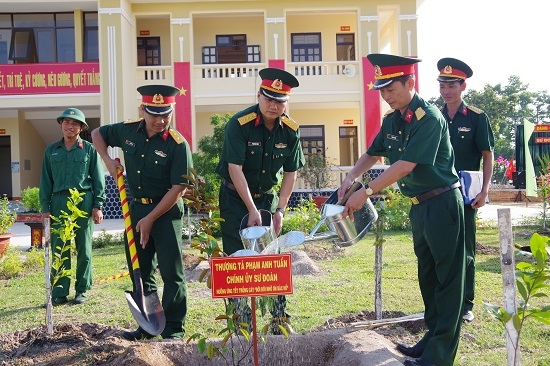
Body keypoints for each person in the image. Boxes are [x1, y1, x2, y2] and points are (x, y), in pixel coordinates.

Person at [339, 54, 465, 366]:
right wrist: (351, 177)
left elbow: (405, 165)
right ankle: (431, 339)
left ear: (410, 83)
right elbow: (372, 153)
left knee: (448, 282)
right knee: (428, 277)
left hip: (442, 203)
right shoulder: (392, 119)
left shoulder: (429, 118)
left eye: (391, 89)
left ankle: (439, 357)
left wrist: (366, 191)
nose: (385, 95)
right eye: (381, 90)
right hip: (420, 208)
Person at [91, 84, 193, 340]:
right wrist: (107, 160)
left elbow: (178, 188)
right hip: (134, 208)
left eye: (165, 114)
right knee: (140, 268)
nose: (160, 120)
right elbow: (96, 134)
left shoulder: (178, 145)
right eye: (154, 113)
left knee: (172, 272)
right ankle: (147, 325)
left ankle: (173, 329)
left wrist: (150, 219)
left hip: (166, 212)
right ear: (142, 110)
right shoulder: (127, 131)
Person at [215, 67, 305, 334]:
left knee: (272, 259)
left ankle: (279, 322)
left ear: (286, 103)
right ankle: (241, 324)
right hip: (234, 199)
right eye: (268, 98)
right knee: (237, 259)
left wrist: (280, 210)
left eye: (279, 101)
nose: (273, 105)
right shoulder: (239, 124)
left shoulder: (290, 130)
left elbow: (291, 172)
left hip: (267, 199)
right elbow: (235, 168)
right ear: (259, 95)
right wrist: (251, 209)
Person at [437, 57, 494, 323]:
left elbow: (487, 154)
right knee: (440, 250)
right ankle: (443, 303)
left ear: (463, 86)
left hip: (466, 195)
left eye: (451, 85)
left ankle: (466, 304)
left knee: (466, 251)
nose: (446, 90)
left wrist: (484, 191)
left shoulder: (476, 118)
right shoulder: (432, 117)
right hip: (436, 194)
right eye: (442, 85)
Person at [39, 107, 106, 306]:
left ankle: (82, 290)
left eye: (75, 123)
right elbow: (45, 181)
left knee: (84, 248)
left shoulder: (89, 149)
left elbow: (97, 178)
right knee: (60, 248)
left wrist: (98, 205)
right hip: (59, 202)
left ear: (81, 127)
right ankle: (59, 292)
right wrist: (45, 208)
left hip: (83, 202)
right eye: (67, 122)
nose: (70, 126)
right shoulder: (51, 150)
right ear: (61, 125)